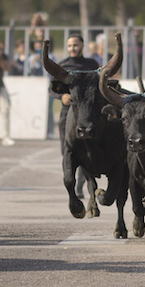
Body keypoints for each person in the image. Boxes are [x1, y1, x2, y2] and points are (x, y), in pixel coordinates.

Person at [53, 34, 101, 196]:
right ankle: (75, 182)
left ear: (82, 46)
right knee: (67, 150)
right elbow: (52, 88)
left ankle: (83, 182)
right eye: (70, 46)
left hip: (87, 114)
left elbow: (100, 85)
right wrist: (62, 96)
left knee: (87, 150)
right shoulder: (62, 65)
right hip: (68, 113)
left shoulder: (92, 64)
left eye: (75, 45)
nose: (72, 48)